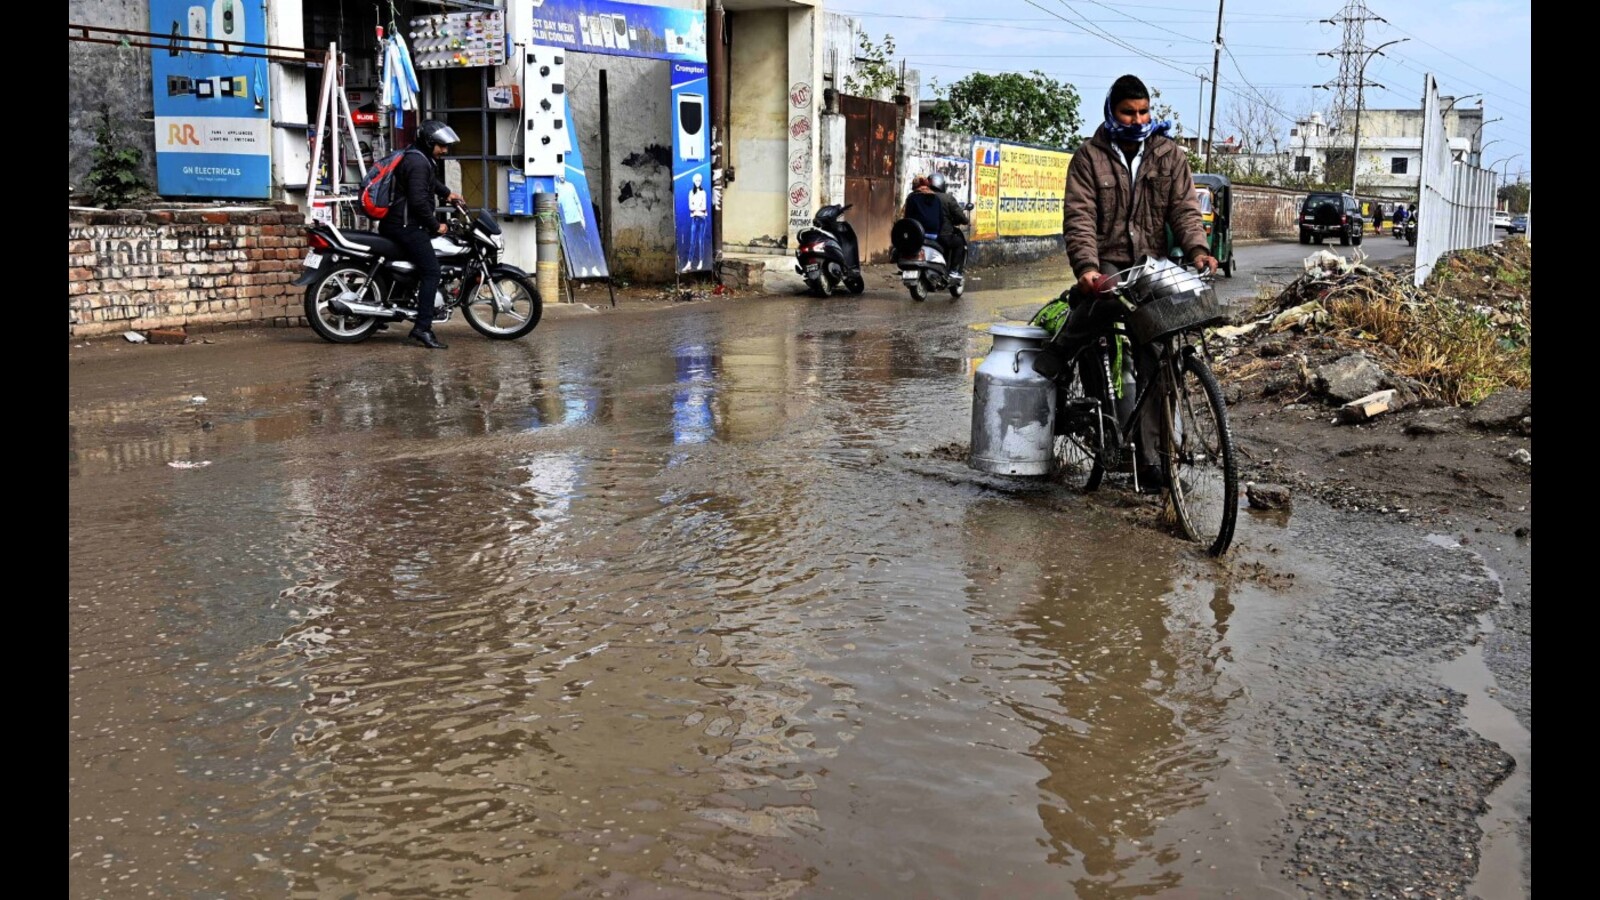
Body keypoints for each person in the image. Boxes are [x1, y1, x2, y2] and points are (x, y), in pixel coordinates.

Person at [1060, 74, 1217, 492]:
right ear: (1111, 111)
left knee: (1157, 354)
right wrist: (1087, 269)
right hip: (1108, 265)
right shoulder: (1088, 158)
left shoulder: (1169, 155)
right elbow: (1079, 218)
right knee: (1081, 328)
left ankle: (1153, 462)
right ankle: (1076, 400)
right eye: (1128, 112)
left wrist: (1198, 249)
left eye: (1143, 111)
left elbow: (1184, 210)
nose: (1137, 119)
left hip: (1151, 266)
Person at [379, 119, 464, 349]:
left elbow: (428, 182)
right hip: (406, 227)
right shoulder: (417, 162)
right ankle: (422, 328)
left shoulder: (418, 156)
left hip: (398, 224)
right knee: (431, 272)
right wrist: (436, 225)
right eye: (441, 145)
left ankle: (381, 315)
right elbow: (417, 201)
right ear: (429, 142)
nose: (444, 150)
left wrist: (447, 194)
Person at [927, 172, 970, 276]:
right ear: (942, 184)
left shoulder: (921, 197)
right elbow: (960, 216)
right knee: (959, 243)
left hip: (923, 234)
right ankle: (954, 271)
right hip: (943, 235)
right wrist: (965, 220)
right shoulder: (947, 198)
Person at [685, 172, 709, 272]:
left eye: (699, 180)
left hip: (702, 219)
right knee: (692, 242)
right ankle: (689, 263)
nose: (698, 182)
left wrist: (696, 208)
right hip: (695, 219)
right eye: (696, 180)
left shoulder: (703, 192)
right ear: (693, 181)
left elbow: (704, 206)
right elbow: (690, 206)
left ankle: (701, 261)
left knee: (700, 241)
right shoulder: (691, 192)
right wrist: (697, 208)